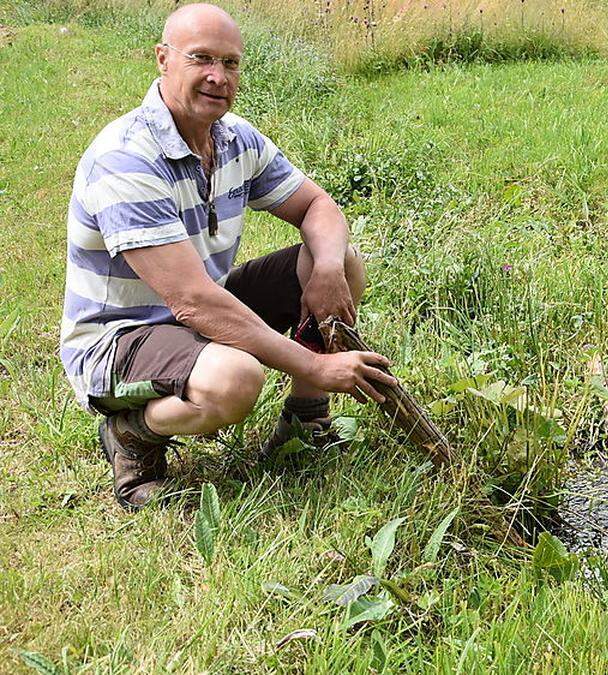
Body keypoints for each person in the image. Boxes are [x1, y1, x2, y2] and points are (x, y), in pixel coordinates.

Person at [59, 3, 397, 510]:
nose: (218, 77)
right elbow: (193, 301)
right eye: (201, 59)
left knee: (339, 259)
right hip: (120, 339)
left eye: (231, 63)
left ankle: (305, 419)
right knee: (235, 379)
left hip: (197, 317)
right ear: (163, 59)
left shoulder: (234, 139)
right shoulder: (126, 158)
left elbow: (316, 205)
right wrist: (316, 362)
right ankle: (132, 432)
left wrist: (326, 270)